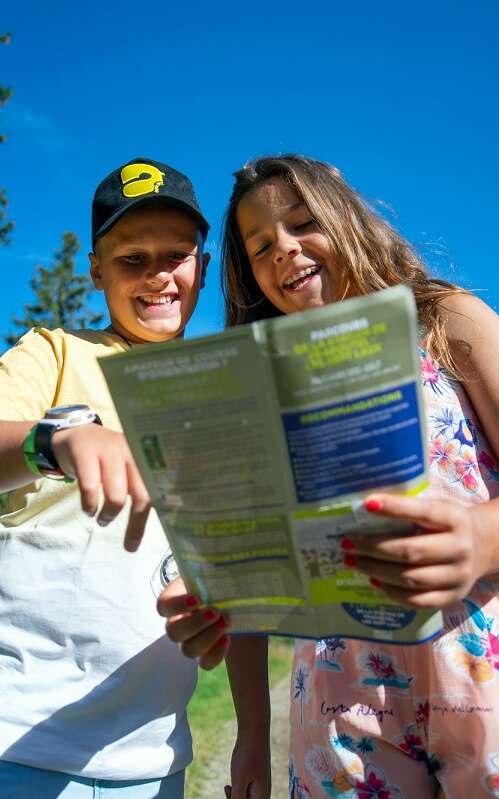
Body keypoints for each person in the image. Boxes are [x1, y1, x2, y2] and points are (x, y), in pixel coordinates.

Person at [159, 155, 499, 799]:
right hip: (337, 707)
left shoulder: (446, 320)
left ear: (345, 217)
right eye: (260, 246)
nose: (283, 249)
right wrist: (252, 733)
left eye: (303, 222)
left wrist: (481, 537)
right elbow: (252, 576)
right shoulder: (261, 393)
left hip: (479, 675)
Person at [0, 157, 215, 798]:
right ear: (95, 270)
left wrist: (252, 735)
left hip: (155, 760)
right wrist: (55, 439)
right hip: (21, 742)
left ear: (201, 264)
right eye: (131, 259)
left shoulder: (220, 395)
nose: (158, 276)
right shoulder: (54, 350)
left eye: (177, 255)